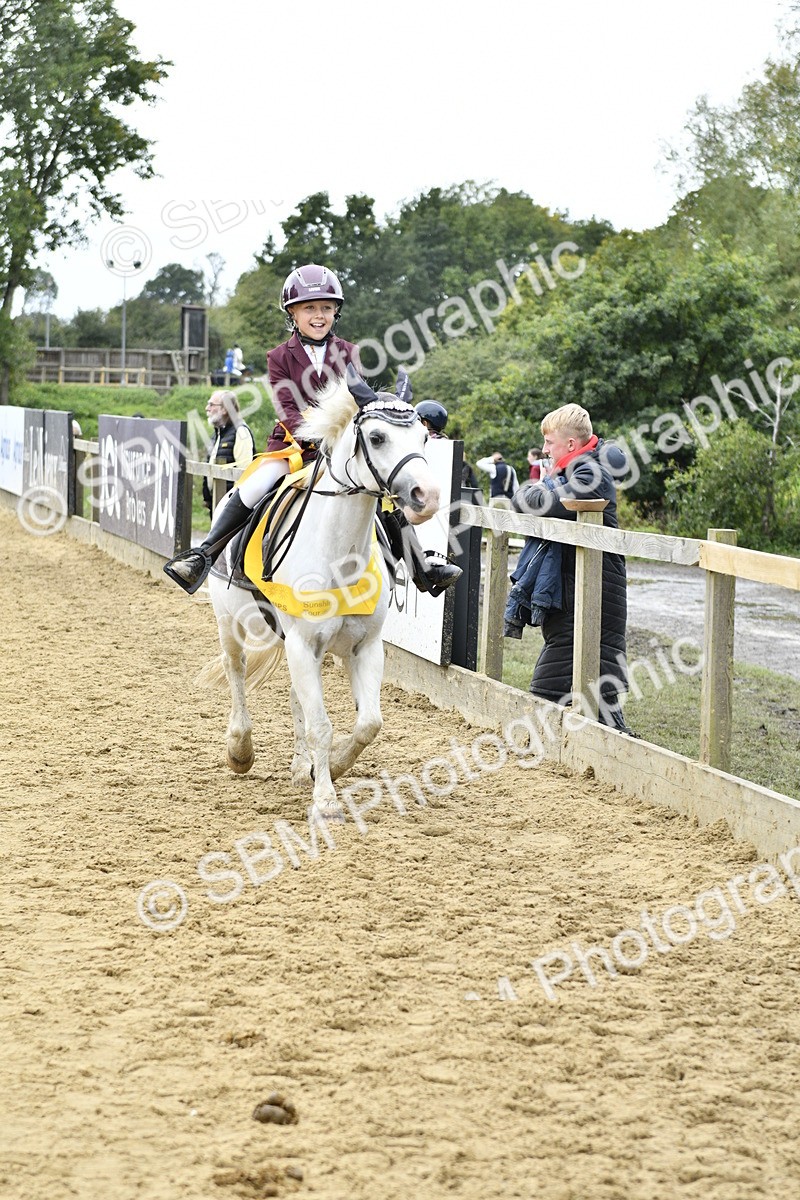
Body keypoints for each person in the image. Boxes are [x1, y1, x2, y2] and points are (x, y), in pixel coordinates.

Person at [163, 264, 461, 596]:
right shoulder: (278, 356)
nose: (318, 315)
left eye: (326, 308)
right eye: (309, 308)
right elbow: (286, 407)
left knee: (383, 495)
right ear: (293, 313)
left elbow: (358, 402)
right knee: (254, 486)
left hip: (343, 451)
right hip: (293, 446)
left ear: (336, 312)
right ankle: (203, 556)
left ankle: (421, 566)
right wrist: (315, 437)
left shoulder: (350, 352)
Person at [512, 402, 635, 735]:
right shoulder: (575, 470)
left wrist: (531, 491)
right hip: (575, 595)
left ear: (570, 444)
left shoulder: (592, 474)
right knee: (598, 702)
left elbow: (542, 503)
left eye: (549, 443)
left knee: (549, 695)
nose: (545, 450)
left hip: (590, 599)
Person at [201, 390, 255, 514]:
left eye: (211, 404)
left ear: (225, 409)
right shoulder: (217, 434)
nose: (207, 408)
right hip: (217, 503)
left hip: (230, 507)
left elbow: (244, 472)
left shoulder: (240, 432)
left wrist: (234, 505)